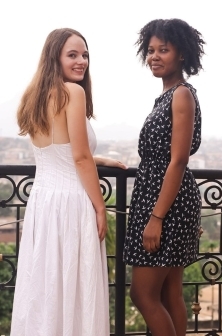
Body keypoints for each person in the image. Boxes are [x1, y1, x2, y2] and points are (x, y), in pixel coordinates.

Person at [10, 28, 127, 336]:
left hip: (43, 203)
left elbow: (57, 152)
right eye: (72, 54)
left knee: (45, 286)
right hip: (73, 203)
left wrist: (99, 160)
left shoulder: (32, 97)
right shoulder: (73, 93)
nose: (81, 61)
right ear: (55, 57)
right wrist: (100, 207)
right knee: (77, 286)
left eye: (85, 55)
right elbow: (78, 157)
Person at [123, 19, 205, 336]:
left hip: (165, 204)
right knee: (170, 294)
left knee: (142, 294)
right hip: (165, 199)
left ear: (181, 54)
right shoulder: (169, 95)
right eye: (151, 50)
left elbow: (179, 160)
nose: (154, 56)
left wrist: (156, 217)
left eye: (164, 50)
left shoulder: (181, 95)